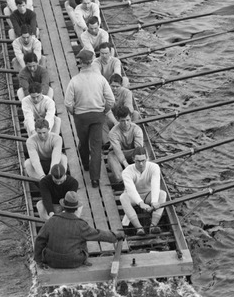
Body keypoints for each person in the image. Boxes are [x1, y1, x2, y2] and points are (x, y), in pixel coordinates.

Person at [33, 190, 123, 269]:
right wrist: (115, 236)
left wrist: (39, 261)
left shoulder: (51, 221)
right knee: (83, 239)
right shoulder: (81, 224)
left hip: (52, 261)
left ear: (63, 206)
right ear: (76, 208)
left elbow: (39, 240)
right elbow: (98, 234)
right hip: (75, 261)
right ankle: (84, 261)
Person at [64, 48, 114, 187]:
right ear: (92, 62)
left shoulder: (74, 81)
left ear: (80, 62)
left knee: (83, 142)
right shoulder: (101, 79)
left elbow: (68, 103)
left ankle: (85, 164)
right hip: (98, 115)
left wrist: (74, 112)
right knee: (96, 146)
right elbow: (111, 100)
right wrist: (105, 110)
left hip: (81, 116)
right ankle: (95, 179)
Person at [119, 147, 167, 236]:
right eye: (138, 161)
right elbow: (131, 190)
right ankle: (139, 228)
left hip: (148, 194)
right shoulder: (127, 171)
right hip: (133, 197)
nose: (141, 164)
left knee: (163, 194)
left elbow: (155, 184)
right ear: (133, 159)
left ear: (147, 158)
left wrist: (154, 201)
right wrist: (141, 203)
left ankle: (153, 226)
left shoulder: (154, 167)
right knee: (123, 197)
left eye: (143, 160)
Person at [107, 104, 144, 183]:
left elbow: (138, 150)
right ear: (117, 119)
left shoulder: (137, 129)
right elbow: (118, 151)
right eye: (123, 121)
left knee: (143, 152)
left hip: (133, 153)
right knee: (111, 155)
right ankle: (121, 178)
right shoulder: (113, 133)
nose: (126, 123)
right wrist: (125, 164)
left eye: (128, 120)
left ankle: (140, 175)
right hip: (120, 154)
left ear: (131, 117)